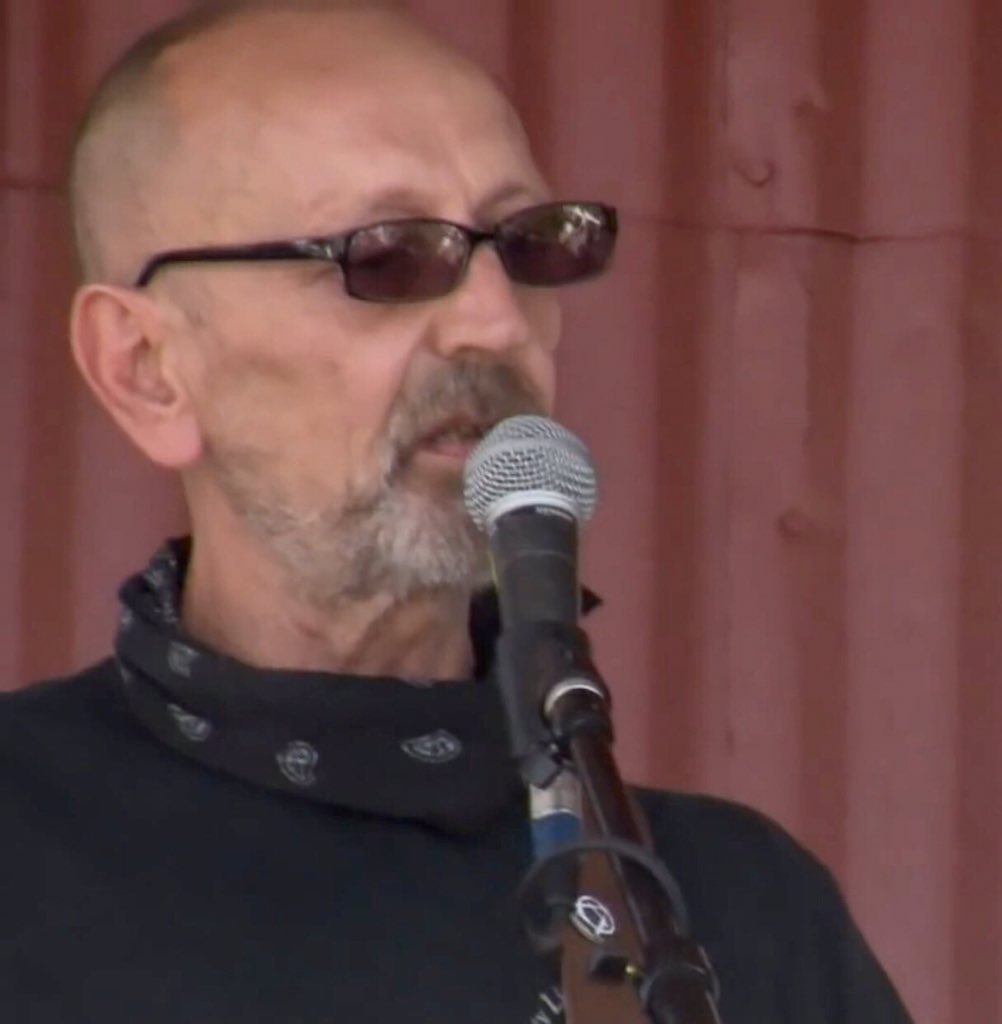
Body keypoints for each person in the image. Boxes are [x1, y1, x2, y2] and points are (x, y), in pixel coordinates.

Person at [0, 2, 913, 1021]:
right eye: (387, 255)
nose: (497, 322)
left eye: (528, 247)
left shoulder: (735, 912)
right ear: (148, 368)